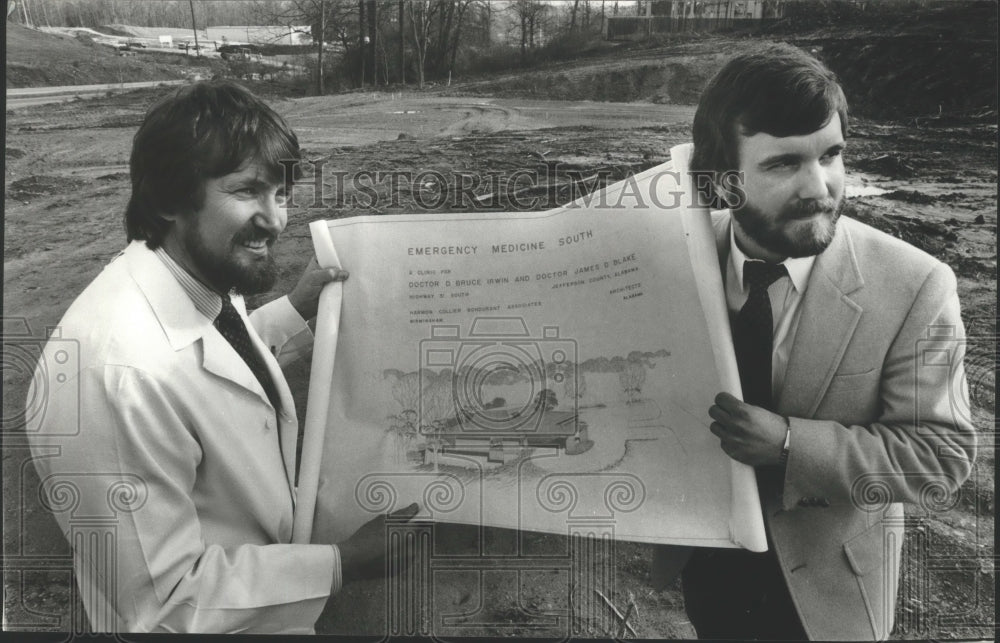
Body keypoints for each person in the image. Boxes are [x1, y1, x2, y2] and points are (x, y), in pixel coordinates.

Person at [25, 80, 417, 634]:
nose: (276, 220)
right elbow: (164, 605)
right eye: (247, 191)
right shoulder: (117, 378)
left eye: (281, 193)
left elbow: (215, 366)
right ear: (167, 199)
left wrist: (295, 309)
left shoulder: (194, 274)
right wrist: (341, 564)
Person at [675, 43, 977, 640]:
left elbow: (941, 458)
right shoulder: (673, 258)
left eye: (832, 154)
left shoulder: (917, 285)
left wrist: (790, 447)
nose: (821, 187)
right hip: (706, 569)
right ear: (722, 181)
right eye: (783, 164)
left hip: (831, 597)